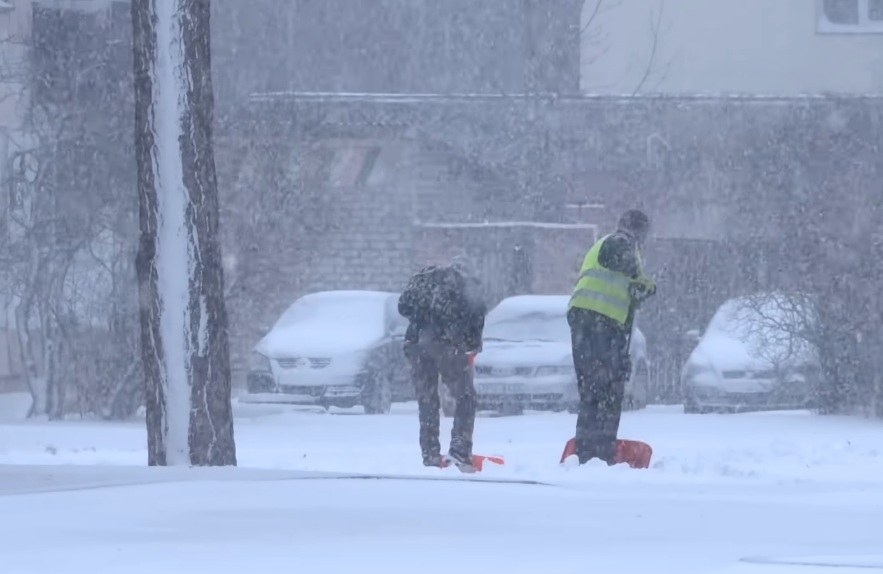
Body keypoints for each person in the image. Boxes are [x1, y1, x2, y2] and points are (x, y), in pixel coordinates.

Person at [567, 209, 657, 465]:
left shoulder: (611, 248)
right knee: (606, 392)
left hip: (594, 326)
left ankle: (588, 451)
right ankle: (598, 452)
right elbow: (616, 256)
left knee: (594, 391)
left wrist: (639, 289)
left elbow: (625, 298)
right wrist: (641, 280)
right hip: (598, 325)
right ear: (637, 231)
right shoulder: (617, 242)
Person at [397, 255, 487, 471]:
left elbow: (404, 308)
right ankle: (460, 450)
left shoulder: (427, 280)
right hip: (445, 344)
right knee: (466, 397)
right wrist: (470, 349)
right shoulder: (469, 286)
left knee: (427, 400)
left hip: (415, 343)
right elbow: (476, 323)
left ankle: (430, 454)